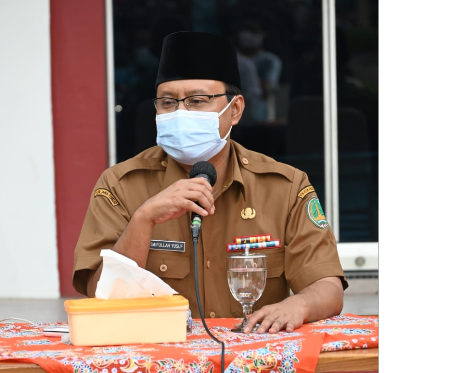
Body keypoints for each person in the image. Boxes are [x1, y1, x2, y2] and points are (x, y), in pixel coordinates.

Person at [73, 31, 347, 336]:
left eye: (197, 101)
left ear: (236, 110)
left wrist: (299, 306)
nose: (180, 113)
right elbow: (98, 292)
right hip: (156, 369)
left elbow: (328, 285)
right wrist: (143, 219)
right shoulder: (120, 185)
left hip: (257, 365)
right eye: (167, 102)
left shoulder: (285, 187)